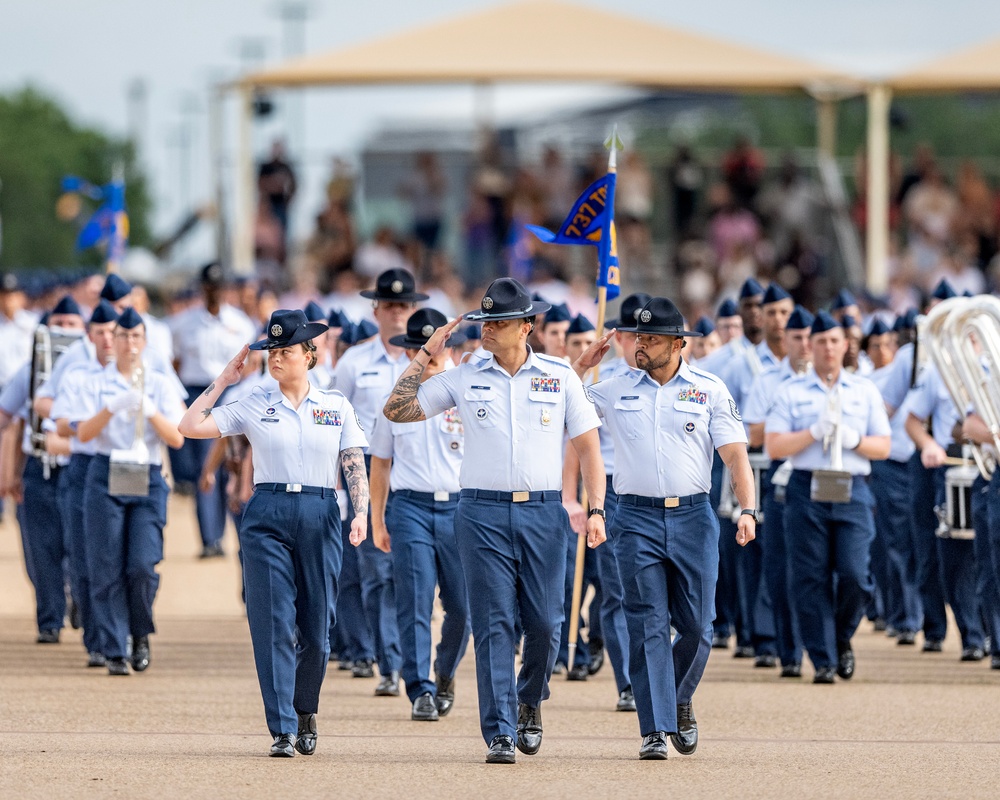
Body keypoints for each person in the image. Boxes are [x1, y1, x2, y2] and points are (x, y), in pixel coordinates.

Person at [382, 277, 606, 765]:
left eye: (498, 323)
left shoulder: (559, 375)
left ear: (526, 326)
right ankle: (500, 729)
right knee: (493, 623)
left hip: (543, 511)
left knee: (546, 624)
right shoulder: (464, 374)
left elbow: (589, 447)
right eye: (484, 322)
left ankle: (529, 699)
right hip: (480, 513)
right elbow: (397, 410)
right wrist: (425, 356)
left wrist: (595, 509)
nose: (486, 331)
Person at [178, 309, 369, 758]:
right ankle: (282, 725)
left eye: (285, 352)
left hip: (321, 510)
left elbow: (353, 460)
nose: (276, 359)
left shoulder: (335, 405)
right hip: (267, 513)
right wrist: (225, 378)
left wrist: (359, 513)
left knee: (318, 628)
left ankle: (305, 709)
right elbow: (190, 426)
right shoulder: (254, 402)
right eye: (271, 352)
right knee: (273, 622)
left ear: (310, 355)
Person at [574, 296, 756, 759]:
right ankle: (654, 729)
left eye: (652, 339)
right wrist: (580, 366)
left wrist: (749, 511)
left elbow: (736, 456)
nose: (640, 345)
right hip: (634, 518)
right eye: (638, 337)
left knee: (698, 626)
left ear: (678, 344)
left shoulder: (710, 389)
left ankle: (677, 699)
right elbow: (560, 405)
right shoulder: (614, 387)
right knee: (648, 622)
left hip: (694, 516)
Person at [765, 311, 892, 683]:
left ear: (845, 345)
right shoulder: (791, 391)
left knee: (856, 574)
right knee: (810, 576)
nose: (827, 348)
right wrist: (812, 431)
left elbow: (883, 446)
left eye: (834, 340)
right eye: (820, 341)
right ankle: (822, 659)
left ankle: (840, 636)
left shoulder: (864, 390)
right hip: (807, 486)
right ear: (811, 346)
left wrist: (855, 440)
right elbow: (774, 445)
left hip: (852, 487)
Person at [369, 308, 470, 722]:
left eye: (432, 346)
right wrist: (377, 518)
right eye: (416, 347)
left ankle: (444, 670)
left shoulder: (466, 389)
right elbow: (380, 464)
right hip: (409, 506)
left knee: (462, 606)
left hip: (460, 507)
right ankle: (420, 688)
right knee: (414, 600)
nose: (424, 354)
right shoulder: (395, 399)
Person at [75, 308, 186, 675]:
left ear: (145, 340)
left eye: (136, 336)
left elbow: (177, 437)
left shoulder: (158, 381)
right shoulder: (95, 381)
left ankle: (139, 631)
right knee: (104, 565)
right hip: (106, 470)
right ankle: (114, 647)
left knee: (141, 564)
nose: (128, 343)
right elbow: (83, 434)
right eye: (122, 336)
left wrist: (151, 411)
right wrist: (111, 407)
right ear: (113, 341)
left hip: (146, 471)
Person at [333, 267, 428, 692]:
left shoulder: (429, 360)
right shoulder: (355, 362)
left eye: (404, 305)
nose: (396, 313)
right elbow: (336, 424)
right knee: (376, 570)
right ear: (375, 309)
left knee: (412, 572)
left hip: (416, 469)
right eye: (389, 305)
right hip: (370, 465)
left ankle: (410, 657)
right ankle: (390, 663)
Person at [742, 305, 814, 677]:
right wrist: (788, 428)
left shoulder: (834, 381)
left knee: (824, 570)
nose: (804, 345)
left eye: (808, 338)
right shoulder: (768, 381)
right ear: (785, 341)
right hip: (780, 478)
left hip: (825, 482)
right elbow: (752, 434)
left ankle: (825, 642)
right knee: (779, 565)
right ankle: (780, 646)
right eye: (797, 338)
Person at [49, 300, 120, 667]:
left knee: (128, 558)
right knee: (86, 558)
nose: (109, 339)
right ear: (88, 336)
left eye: (115, 331)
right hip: (85, 465)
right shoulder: (74, 371)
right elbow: (54, 426)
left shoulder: (143, 369)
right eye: (101, 332)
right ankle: (100, 640)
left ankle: (127, 633)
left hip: (127, 466)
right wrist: (85, 431)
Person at [171, 262, 257, 558]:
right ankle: (211, 538)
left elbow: (250, 364)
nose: (213, 293)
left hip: (232, 393)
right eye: (209, 287)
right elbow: (177, 363)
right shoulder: (183, 323)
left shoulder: (241, 323)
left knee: (231, 465)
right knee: (204, 468)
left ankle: (236, 535)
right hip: (199, 391)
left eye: (218, 287)